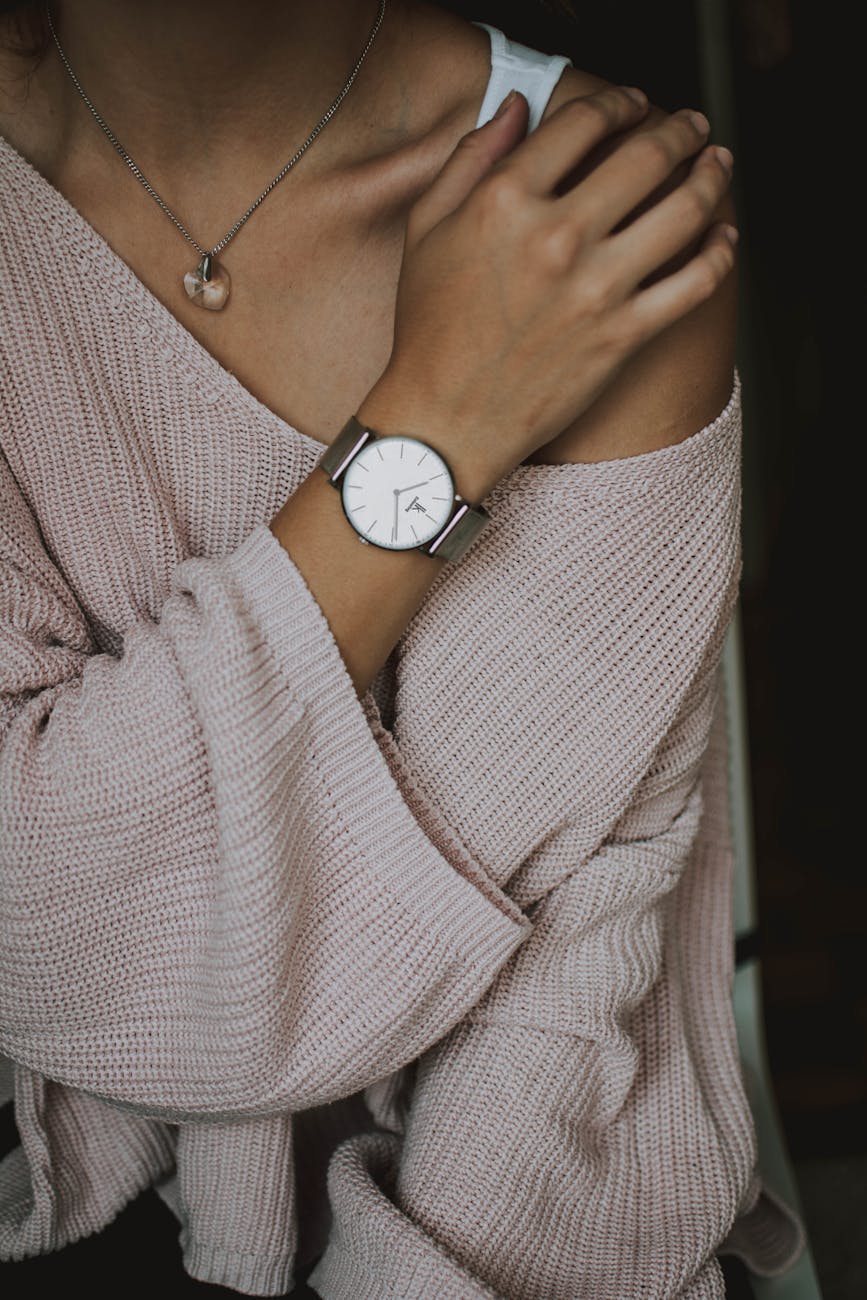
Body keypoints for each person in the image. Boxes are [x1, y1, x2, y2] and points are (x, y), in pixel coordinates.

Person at [0, 0, 805, 1296]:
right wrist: (434, 425)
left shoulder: (585, 220)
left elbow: (568, 976)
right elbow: (29, 923)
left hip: (510, 1220)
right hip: (78, 1192)